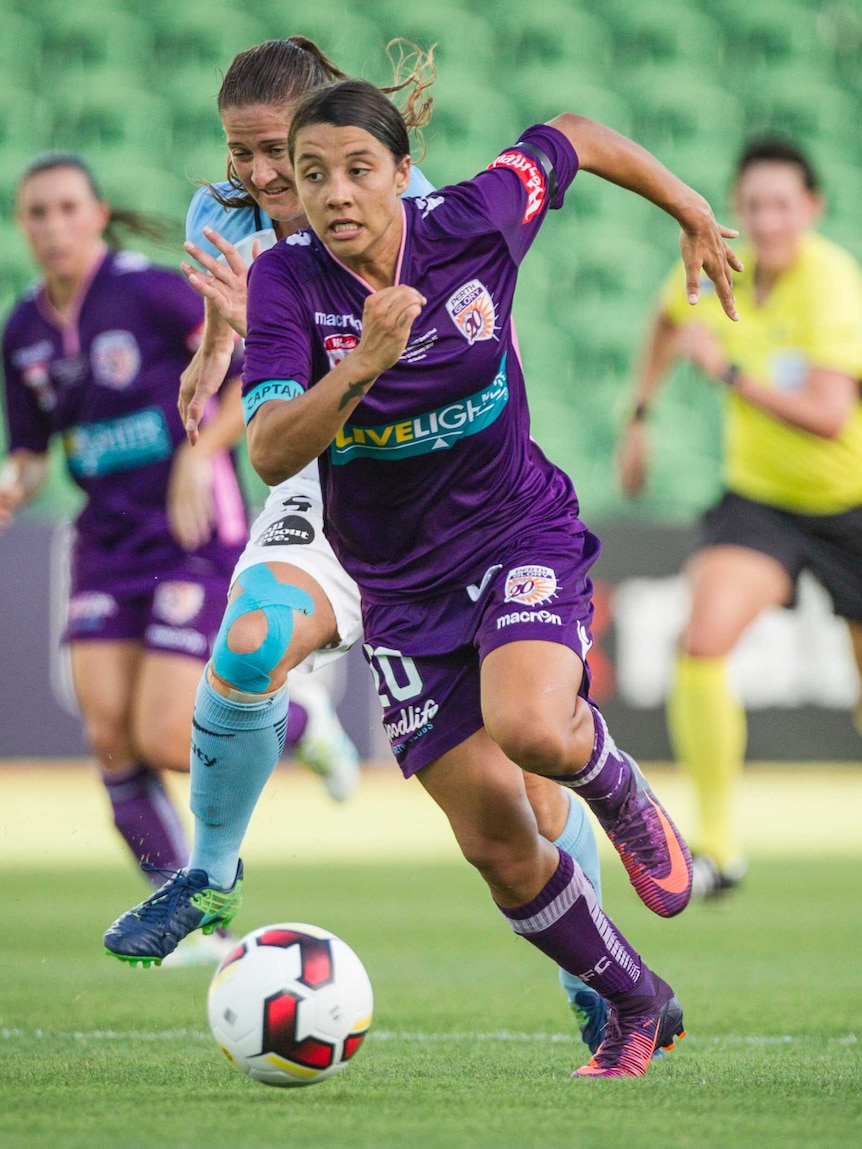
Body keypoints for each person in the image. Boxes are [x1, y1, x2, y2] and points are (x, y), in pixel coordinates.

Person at [109, 75, 740, 1076]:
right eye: (310, 176)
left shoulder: (470, 222)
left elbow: (570, 133)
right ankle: (631, 1000)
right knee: (495, 841)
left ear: (404, 174)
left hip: (512, 531)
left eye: (355, 170)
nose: (329, 193)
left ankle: (614, 786)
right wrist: (358, 367)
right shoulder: (285, 283)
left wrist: (690, 208)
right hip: (397, 583)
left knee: (534, 729)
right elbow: (271, 452)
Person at [0, 153, 248, 962]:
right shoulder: (24, 333)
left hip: (188, 530)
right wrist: (12, 486)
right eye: (36, 212)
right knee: (109, 734)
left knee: (168, 735)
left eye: (67, 207)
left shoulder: (147, 289)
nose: (52, 225)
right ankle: (189, 917)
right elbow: (34, 454)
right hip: (107, 543)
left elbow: (254, 369)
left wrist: (197, 450)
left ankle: (302, 722)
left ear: (98, 214)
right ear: (23, 227)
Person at [618, 135, 862, 898]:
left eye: (783, 204)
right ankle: (719, 843)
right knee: (704, 635)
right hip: (760, 500)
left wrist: (726, 372)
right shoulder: (718, 261)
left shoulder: (831, 284)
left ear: (812, 209)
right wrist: (640, 416)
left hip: (849, 504)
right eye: (753, 204)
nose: (767, 219)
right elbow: (666, 318)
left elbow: (827, 413)